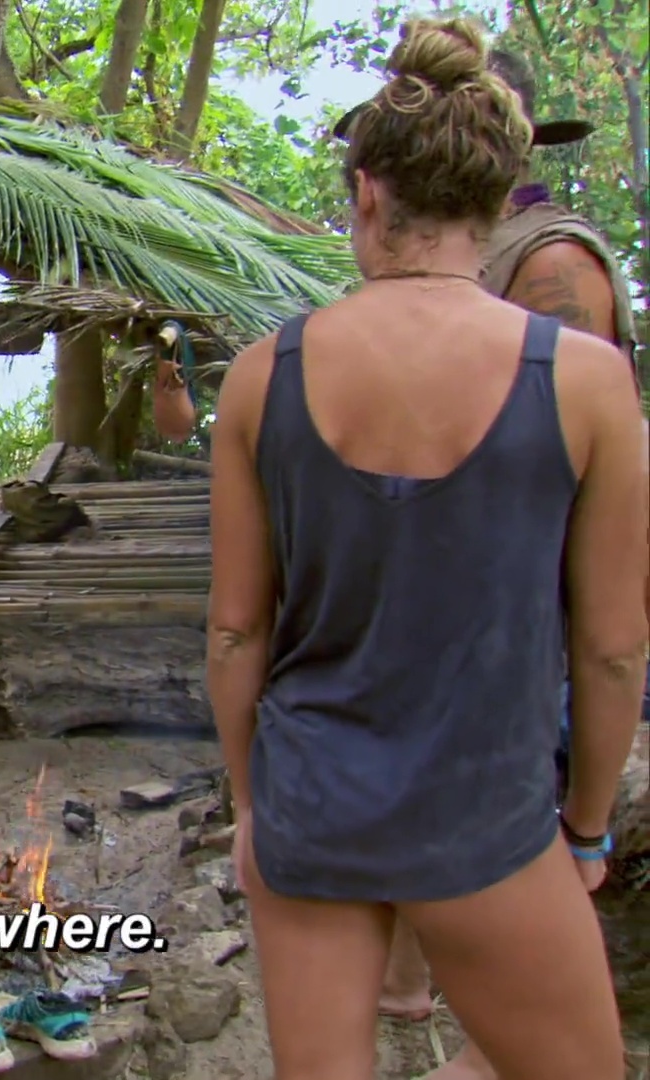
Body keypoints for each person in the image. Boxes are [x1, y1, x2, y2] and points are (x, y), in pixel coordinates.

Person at [206, 19, 647, 1080]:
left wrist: (253, 807)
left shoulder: (265, 376)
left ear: (366, 193)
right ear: (494, 202)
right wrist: (586, 827)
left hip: (313, 811)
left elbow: (234, 632)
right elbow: (613, 649)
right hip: (486, 820)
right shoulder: (586, 381)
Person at [330, 47, 649, 1078]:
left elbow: (565, 470)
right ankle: (414, 991)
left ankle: (486, 1046)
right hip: (458, 605)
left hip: (533, 614)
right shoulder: (450, 261)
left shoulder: (551, 262)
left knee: (523, 832)